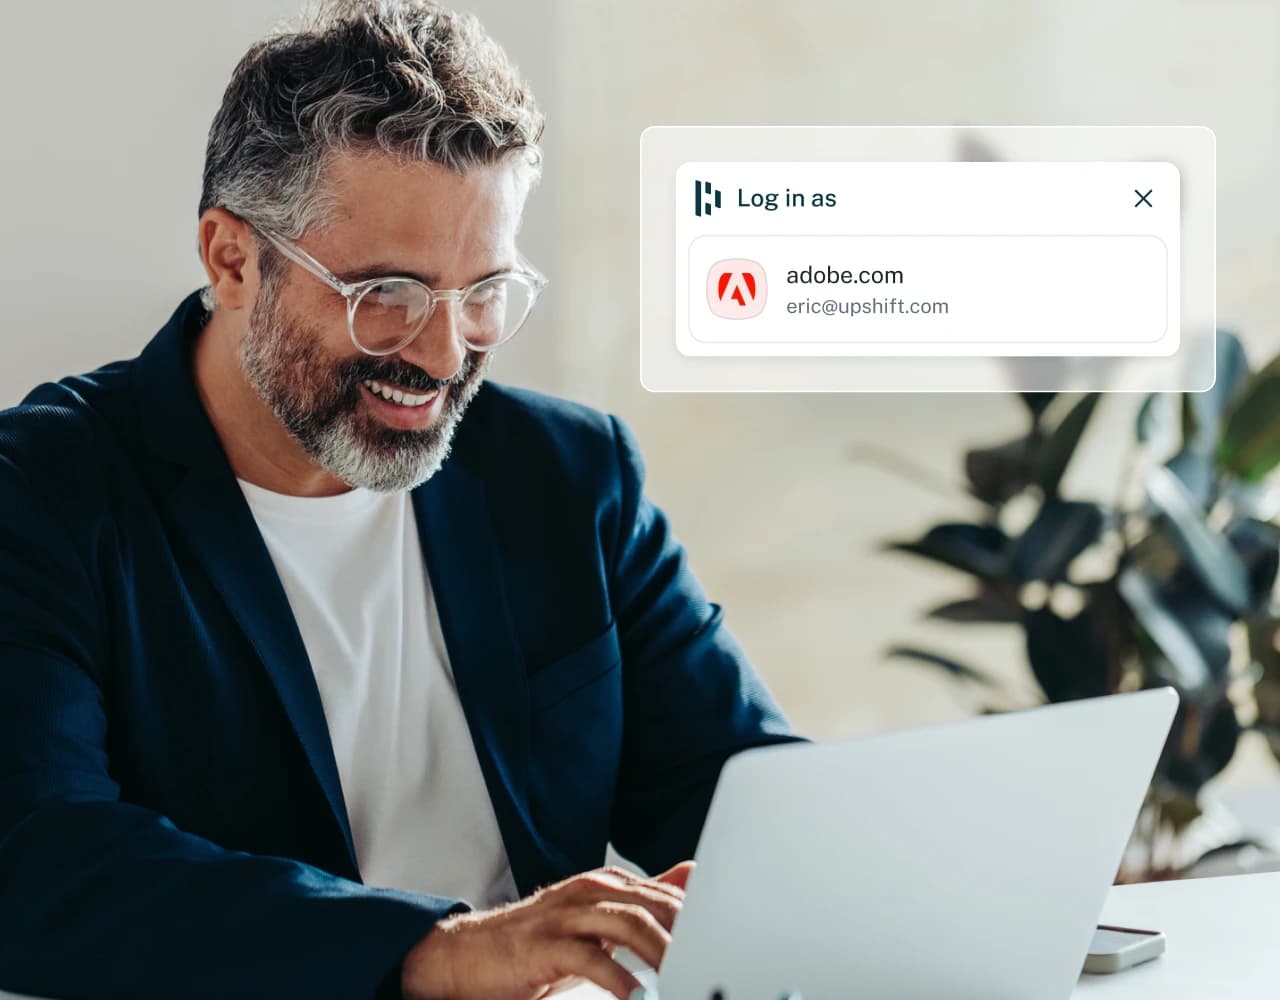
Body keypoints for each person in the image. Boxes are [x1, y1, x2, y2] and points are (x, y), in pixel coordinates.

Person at [0, 2, 803, 998]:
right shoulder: (41, 492)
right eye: (384, 292)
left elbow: (747, 803)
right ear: (230, 259)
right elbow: (34, 861)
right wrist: (445, 949)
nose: (441, 352)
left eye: (482, 292)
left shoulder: (567, 473)